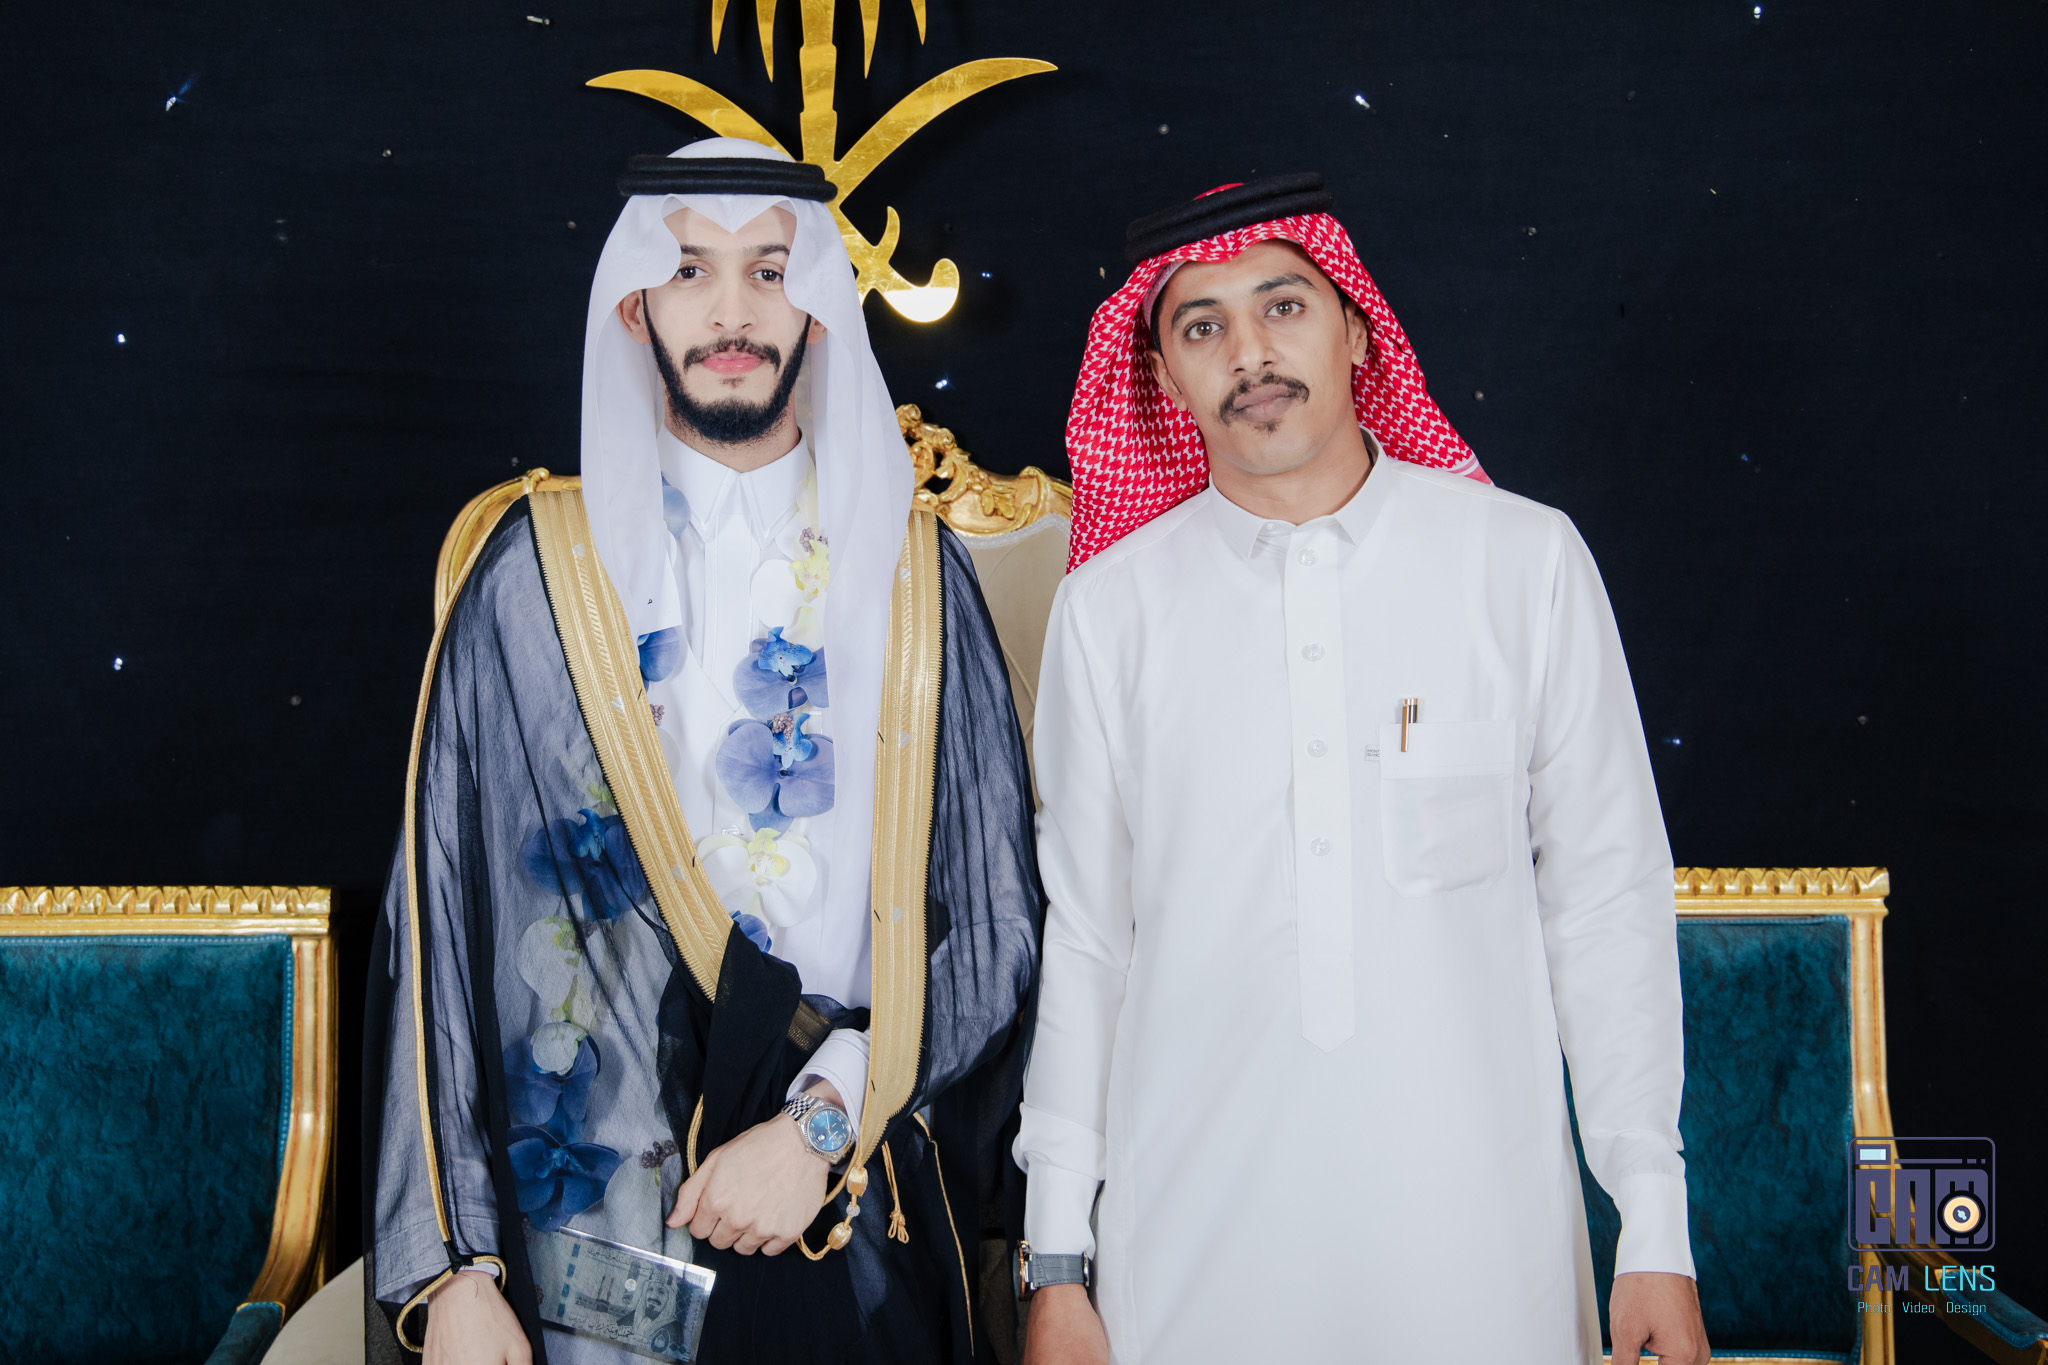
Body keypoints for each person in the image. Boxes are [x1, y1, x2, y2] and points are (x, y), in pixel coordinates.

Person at [364, 137, 1041, 1365]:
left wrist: (822, 1122)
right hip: (584, 1215)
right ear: (635, 305)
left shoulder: (912, 577)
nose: (731, 312)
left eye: (769, 272)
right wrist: (454, 1267)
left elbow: (993, 929)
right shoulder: (536, 575)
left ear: (817, 309)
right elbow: (439, 936)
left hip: (842, 1189)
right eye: (689, 270)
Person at [1013, 175, 1708, 1365]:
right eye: (1202, 326)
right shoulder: (1108, 613)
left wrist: (1651, 1228)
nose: (1248, 353)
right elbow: (1086, 944)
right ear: (1163, 380)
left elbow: (1603, 906)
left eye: (1282, 306)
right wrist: (1056, 1261)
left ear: (1354, 330)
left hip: (1475, 1237)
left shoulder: (1521, 563)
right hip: (1188, 1242)